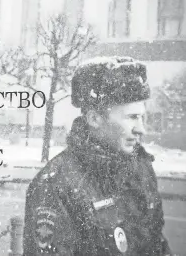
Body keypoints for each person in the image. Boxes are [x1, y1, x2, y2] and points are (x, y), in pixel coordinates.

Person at [23, 57, 172, 255]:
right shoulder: (55, 185)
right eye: (132, 117)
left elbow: (156, 245)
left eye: (142, 117)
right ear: (94, 118)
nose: (141, 129)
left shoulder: (140, 168)